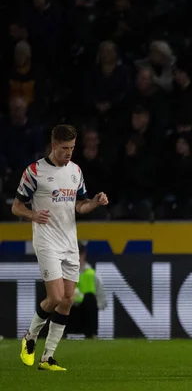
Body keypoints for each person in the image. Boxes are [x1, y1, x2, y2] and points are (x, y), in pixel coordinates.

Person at [13, 124, 109, 371]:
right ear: (53, 145)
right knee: (54, 297)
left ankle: (47, 358)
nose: (69, 153)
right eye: (65, 148)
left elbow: (79, 206)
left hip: (69, 241)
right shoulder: (34, 171)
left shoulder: (75, 171)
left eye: (73, 148)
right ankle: (30, 337)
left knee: (67, 299)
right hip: (46, 241)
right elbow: (16, 207)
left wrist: (95, 203)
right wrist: (33, 215)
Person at [67, 242, 107, 338]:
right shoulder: (62, 273)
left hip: (86, 315)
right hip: (68, 312)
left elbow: (102, 302)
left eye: (78, 254)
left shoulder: (92, 274)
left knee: (89, 297)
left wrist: (87, 303)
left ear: (83, 254)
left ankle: (91, 335)